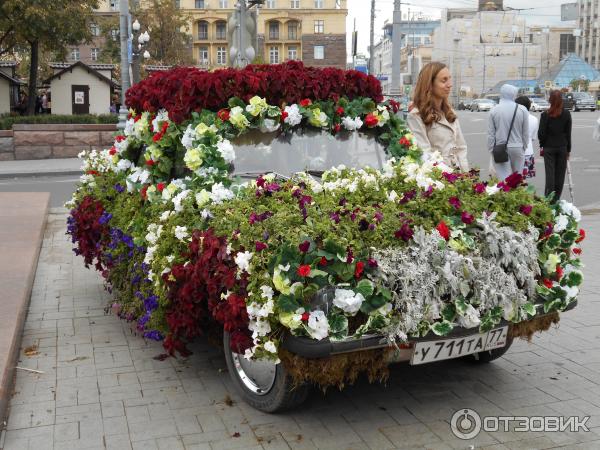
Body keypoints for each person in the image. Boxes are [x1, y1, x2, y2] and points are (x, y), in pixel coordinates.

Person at [406, 61, 469, 171]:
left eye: (449, 79)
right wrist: (449, 176)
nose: (450, 84)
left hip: (458, 177)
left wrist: (466, 176)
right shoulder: (416, 115)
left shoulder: (450, 112)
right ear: (429, 84)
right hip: (437, 179)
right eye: (444, 80)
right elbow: (425, 153)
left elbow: (461, 148)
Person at [487, 84, 529, 181]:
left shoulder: (494, 110)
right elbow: (525, 133)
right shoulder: (522, 110)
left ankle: (506, 195)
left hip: (500, 148)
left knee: (504, 179)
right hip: (518, 147)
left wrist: (491, 150)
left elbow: (491, 134)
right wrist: (524, 147)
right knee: (517, 179)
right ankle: (517, 195)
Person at [538, 90, 572, 201]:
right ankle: (556, 198)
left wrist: (542, 144)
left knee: (550, 175)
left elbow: (541, 134)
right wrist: (568, 150)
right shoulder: (566, 114)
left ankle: (548, 199)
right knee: (560, 175)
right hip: (562, 147)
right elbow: (568, 133)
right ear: (561, 99)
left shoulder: (545, 115)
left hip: (549, 147)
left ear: (550, 100)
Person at [515, 95, 538, 179]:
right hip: (528, 151)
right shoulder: (534, 119)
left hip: (515, 152)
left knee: (513, 179)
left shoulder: (514, 119)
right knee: (524, 179)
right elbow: (533, 138)